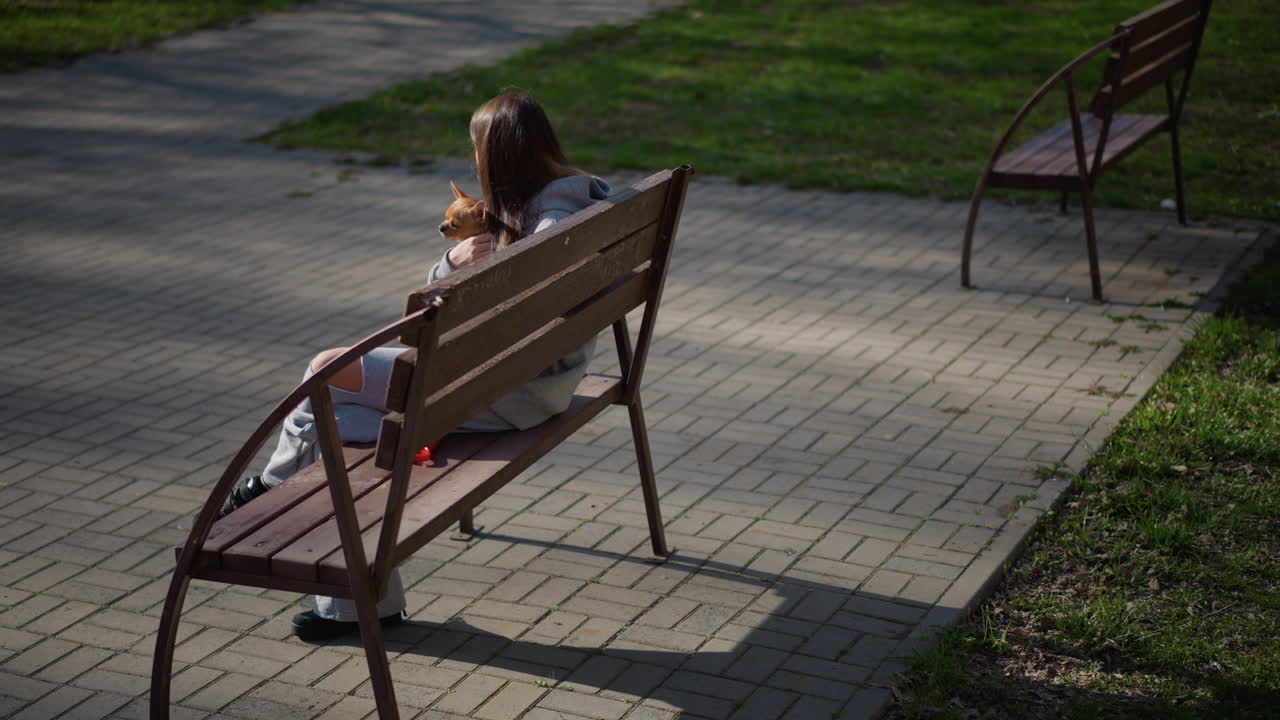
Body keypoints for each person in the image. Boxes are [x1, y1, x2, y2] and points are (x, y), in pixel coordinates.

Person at [220, 93, 611, 641]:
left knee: (326, 385)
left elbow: (446, 315)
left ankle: (275, 491)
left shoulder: (543, 227)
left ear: (498, 156)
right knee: (333, 400)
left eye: (479, 152)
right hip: (527, 381)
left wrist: (457, 277)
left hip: (499, 391)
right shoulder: (577, 200)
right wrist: (451, 262)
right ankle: (341, 587)